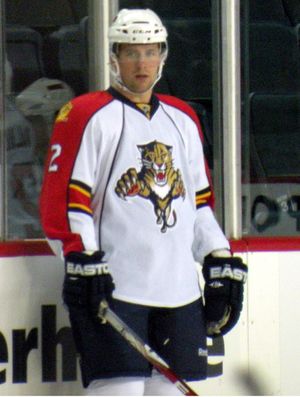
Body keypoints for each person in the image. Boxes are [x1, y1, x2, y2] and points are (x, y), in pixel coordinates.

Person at [40, 8, 247, 396]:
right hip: (117, 291)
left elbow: (198, 204)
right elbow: (66, 204)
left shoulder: (183, 118)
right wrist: (81, 259)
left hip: (180, 295)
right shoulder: (86, 115)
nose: (142, 62)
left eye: (150, 51)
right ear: (114, 57)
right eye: (132, 52)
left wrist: (219, 257)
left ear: (163, 56)